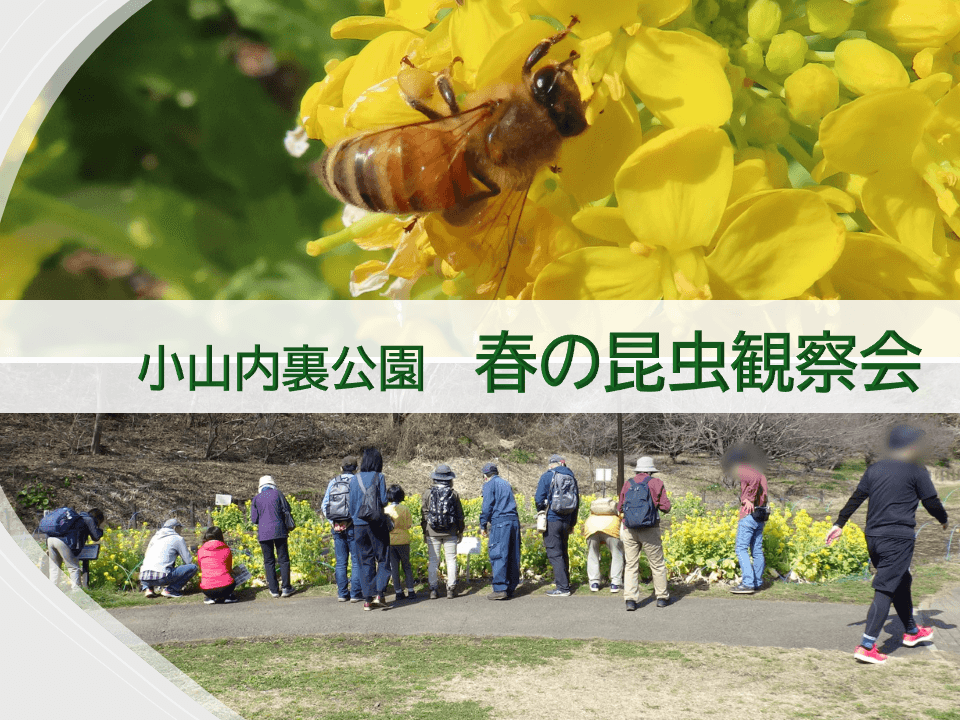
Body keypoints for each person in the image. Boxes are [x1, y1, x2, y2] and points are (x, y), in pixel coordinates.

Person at [827, 425, 949, 665]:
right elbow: (931, 501)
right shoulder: (917, 470)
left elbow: (856, 498)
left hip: (873, 537)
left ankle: (912, 632)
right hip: (897, 538)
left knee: (902, 580)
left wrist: (839, 523)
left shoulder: (875, 469)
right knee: (885, 588)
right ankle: (866, 646)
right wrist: (944, 520)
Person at [618, 457, 672, 610]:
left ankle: (630, 600)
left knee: (631, 564)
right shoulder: (656, 483)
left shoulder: (628, 483)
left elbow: (620, 507)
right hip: (650, 528)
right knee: (657, 564)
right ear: (650, 470)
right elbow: (665, 507)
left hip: (630, 529)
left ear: (637, 469)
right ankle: (661, 597)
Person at [349, 448, 392, 610]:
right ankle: (379, 593)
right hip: (376, 524)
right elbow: (383, 500)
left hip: (358, 526)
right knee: (382, 558)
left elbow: (351, 505)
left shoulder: (354, 479)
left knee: (364, 561)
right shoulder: (379, 477)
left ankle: (367, 600)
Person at [535, 454, 580, 597]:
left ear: (551, 464)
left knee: (555, 553)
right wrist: (572, 522)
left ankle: (563, 588)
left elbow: (538, 498)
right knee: (563, 551)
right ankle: (566, 582)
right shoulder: (571, 477)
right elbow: (576, 502)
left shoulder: (547, 476)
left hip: (552, 519)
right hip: (566, 520)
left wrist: (542, 511)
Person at [727, 448, 769, 595]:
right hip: (760, 515)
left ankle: (747, 583)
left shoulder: (748, 470)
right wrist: (746, 497)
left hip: (749, 515)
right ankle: (757, 582)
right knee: (757, 550)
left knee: (741, 549)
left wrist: (748, 499)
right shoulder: (761, 473)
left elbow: (753, 481)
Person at [322, 456, 363, 603]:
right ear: (356, 469)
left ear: (341, 468)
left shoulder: (334, 481)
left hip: (337, 526)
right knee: (356, 561)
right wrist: (352, 521)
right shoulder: (357, 481)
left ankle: (342, 593)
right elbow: (361, 504)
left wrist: (333, 522)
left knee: (341, 562)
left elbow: (324, 505)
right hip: (353, 526)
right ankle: (355, 594)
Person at [421, 463, 465, 599]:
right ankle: (451, 589)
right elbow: (459, 515)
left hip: (432, 531)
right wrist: (460, 530)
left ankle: (433, 589)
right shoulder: (453, 494)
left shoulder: (428, 493)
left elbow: (423, 514)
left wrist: (425, 531)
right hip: (450, 531)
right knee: (451, 559)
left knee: (434, 560)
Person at [479, 463, 521, 600]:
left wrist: (483, 524)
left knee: (498, 553)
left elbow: (487, 506)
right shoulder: (506, 483)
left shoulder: (489, 485)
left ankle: (499, 588)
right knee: (513, 553)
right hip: (514, 521)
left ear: (485, 476)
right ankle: (510, 587)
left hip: (500, 522)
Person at [250, 475, 294, 599]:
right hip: (280, 530)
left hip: (264, 534)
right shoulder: (278, 493)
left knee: (269, 561)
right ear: (272, 484)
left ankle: (274, 590)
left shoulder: (256, 498)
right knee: (283, 559)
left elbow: (254, 519)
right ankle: (286, 588)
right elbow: (287, 509)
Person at [46, 507, 105, 588]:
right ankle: (77, 592)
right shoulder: (88, 519)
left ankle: (52, 591)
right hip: (63, 541)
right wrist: (101, 528)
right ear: (98, 518)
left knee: (55, 567)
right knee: (73, 568)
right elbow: (96, 537)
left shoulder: (75, 517)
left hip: (51, 539)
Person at [140, 518, 198, 598]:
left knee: (152, 565)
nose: (180, 530)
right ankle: (171, 590)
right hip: (162, 577)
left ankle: (148, 589)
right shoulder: (177, 538)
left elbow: (146, 555)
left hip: (144, 577)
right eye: (179, 528)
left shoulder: (154, 537)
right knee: (193, 567)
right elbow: (188, 561)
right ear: (175, 528)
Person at [582, 497, 624, 594]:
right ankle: (615, 583)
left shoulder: (594, 512)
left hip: (591, 527)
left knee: (593, 554)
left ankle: (594, 583)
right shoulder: (614, 511)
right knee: (617, 554)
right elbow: (622, 516)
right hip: (611, 528)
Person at [385, 484, 417, 600]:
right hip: (404, 540)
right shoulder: (405, 509)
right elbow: (408, 525)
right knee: (406, 566)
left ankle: (398, 592)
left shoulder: (386, 510)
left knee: (394, 568)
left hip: (391, 541)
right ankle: (411, 590)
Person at [196, 526, 238, 604]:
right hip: (226, 587)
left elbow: (201, 567)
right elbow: (229, 568)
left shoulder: (201, 550)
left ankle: (210, 598)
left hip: (207, 589)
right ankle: (228, 596)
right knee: (233, 574)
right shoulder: (226, 549)